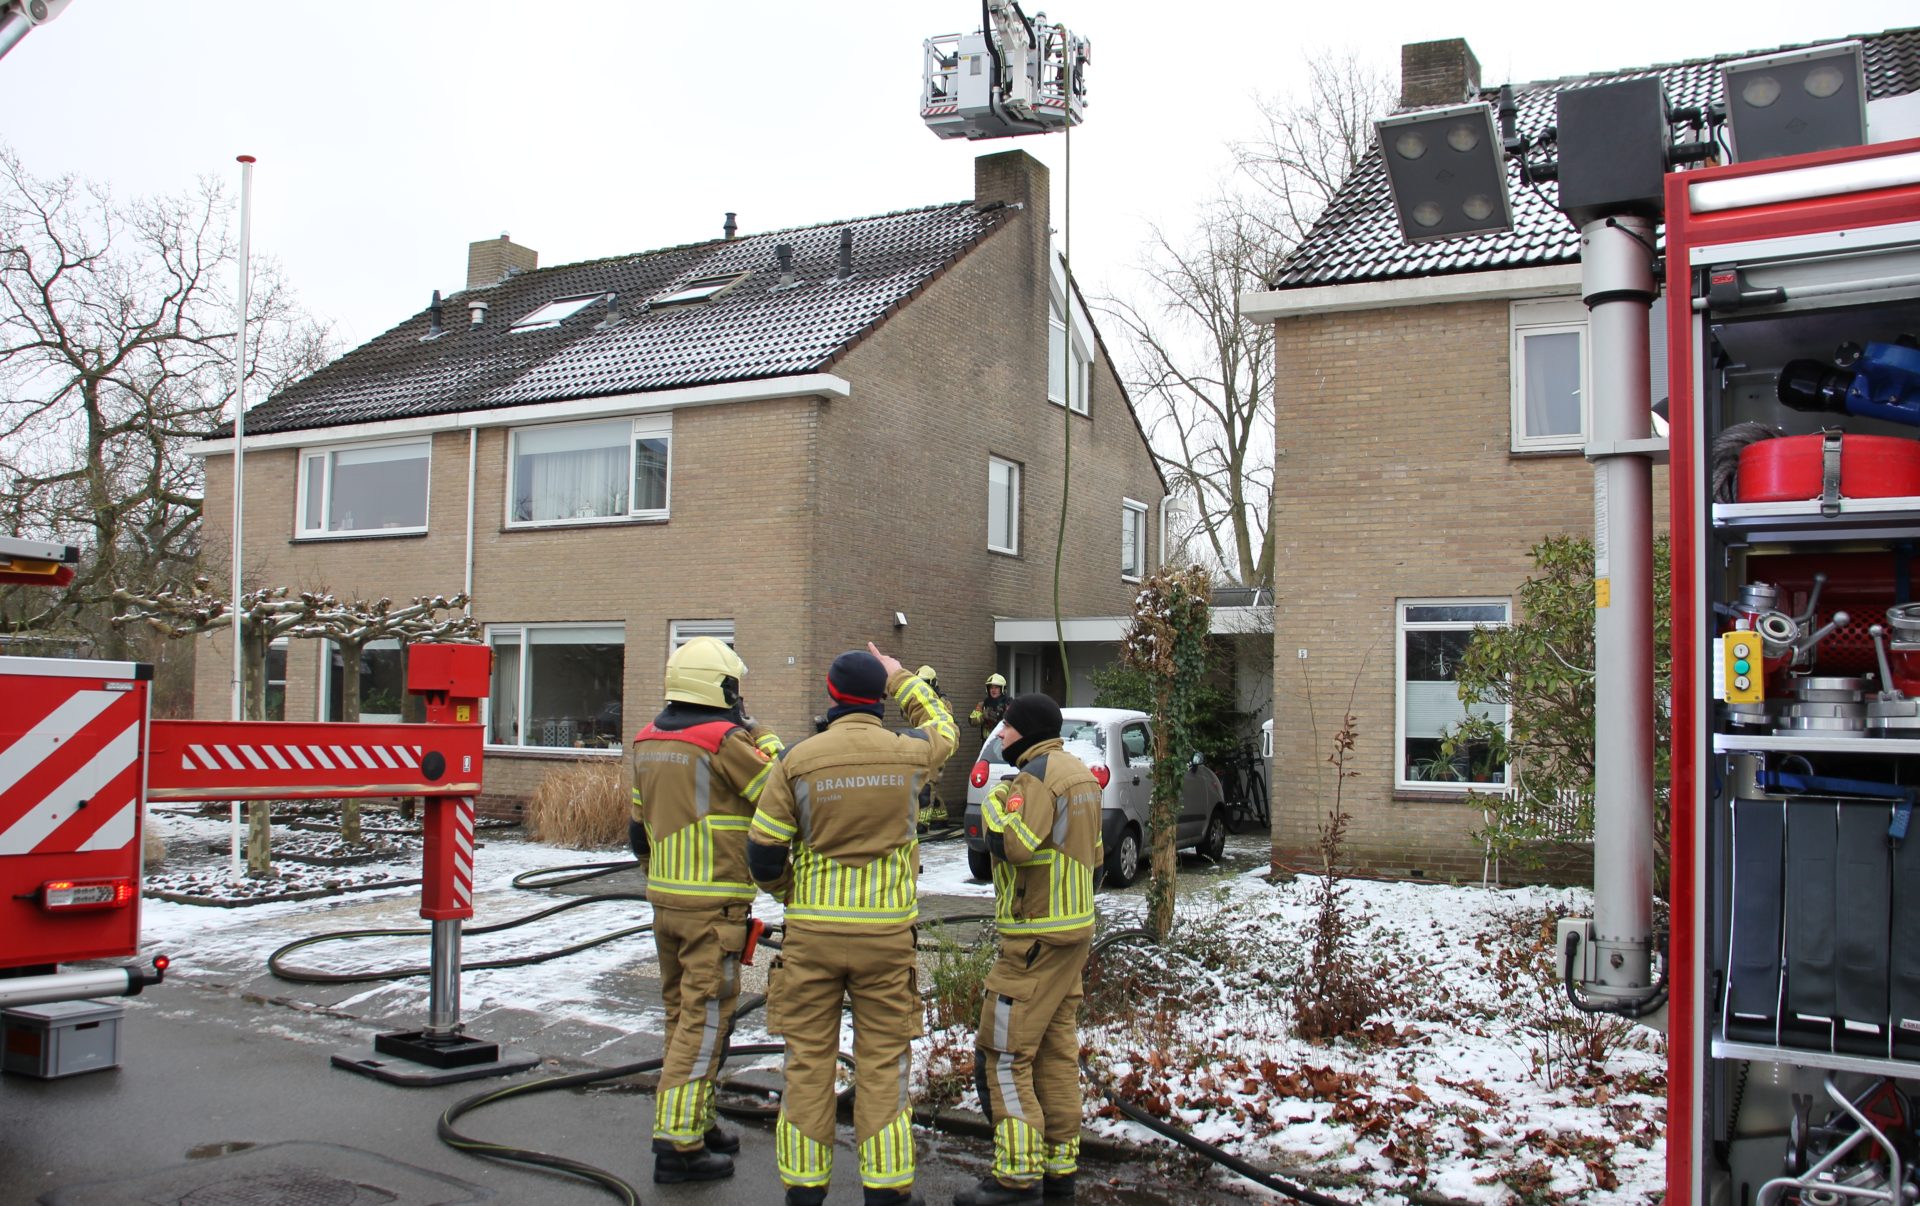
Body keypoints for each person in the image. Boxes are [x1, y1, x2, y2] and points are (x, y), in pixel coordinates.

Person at [749, 642, 957, 1206]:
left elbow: (763, 855)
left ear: (831, 694)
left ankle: (804, 1189)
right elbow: (945, 727)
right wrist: (900, 675)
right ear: (877, 698)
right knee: (884, 1063)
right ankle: (886, 1191)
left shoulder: (797, 760)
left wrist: (795, 893)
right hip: (885, 939)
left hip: (812, 938)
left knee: (807, 1063)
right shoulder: (909, 753)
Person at [629, 636, 784, 1185]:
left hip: (665, 900)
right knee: (706, 1019)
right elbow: (778, 790)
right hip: (713, 905)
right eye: (735, 688)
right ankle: (678, 1145)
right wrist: (763, 734)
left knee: (681, 1014)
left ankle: (698, 1116)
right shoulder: (723, 740)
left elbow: (637, 829)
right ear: (721, 688)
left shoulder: (647, 739)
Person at [957, 693, 1103, 1206]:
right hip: (1071, 934)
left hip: (1034, 939)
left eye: (1007, 726)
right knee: (1055, 1053)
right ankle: (1059, 1171)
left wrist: (994, 804)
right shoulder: (1082, 775)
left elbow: (1013, 845)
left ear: (1026, 731)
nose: (1000, 733)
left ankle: (1016, 1179)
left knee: (1004, 1053)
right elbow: (1095, 856)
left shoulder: (1036, 778)